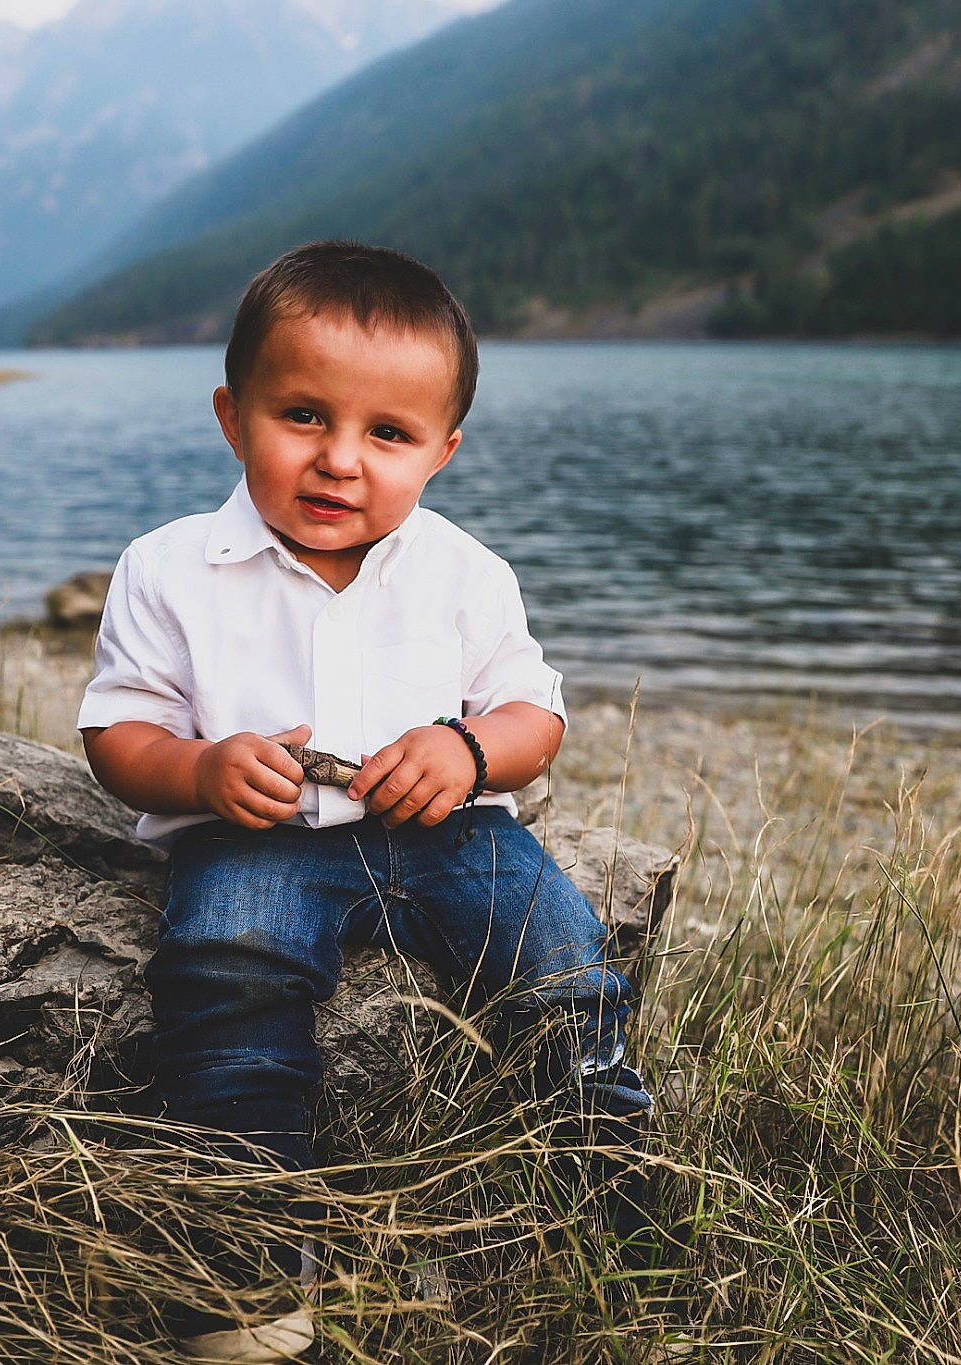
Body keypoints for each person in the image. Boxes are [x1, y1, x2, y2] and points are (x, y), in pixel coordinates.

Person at [78, 240, 655, 1361]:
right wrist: (197, 769)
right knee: (226, 975)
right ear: (231, 415)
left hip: (453, 833)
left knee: (561, 966)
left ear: (440, 451)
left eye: (386, 434)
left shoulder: (465, 574)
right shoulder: (168, 567)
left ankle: (610, 1208)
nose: (340, 460)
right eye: (302, 416)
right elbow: (115, 732)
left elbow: (534, 718)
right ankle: (245, 1265)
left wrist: (467, 750)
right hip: (262, 838)